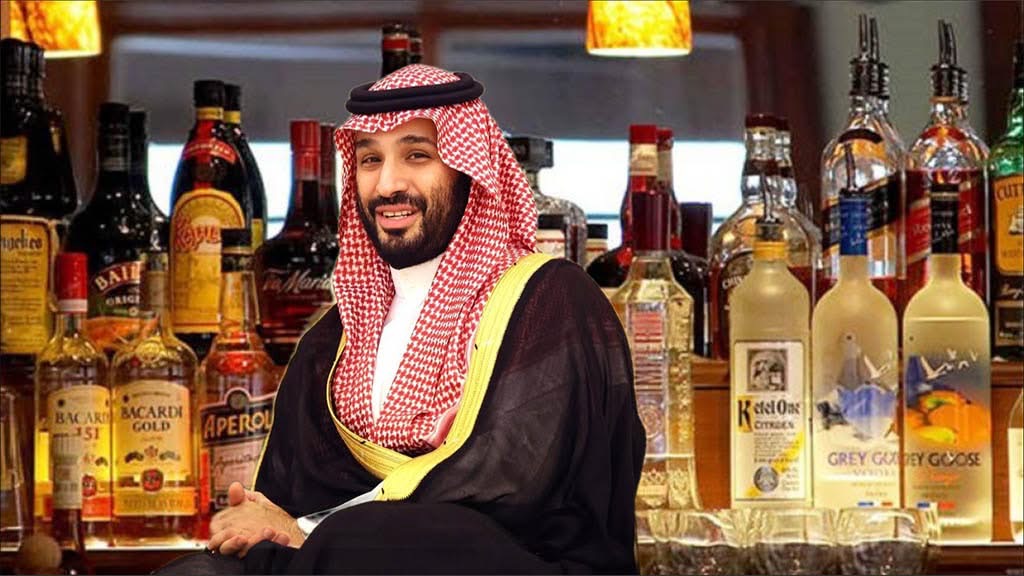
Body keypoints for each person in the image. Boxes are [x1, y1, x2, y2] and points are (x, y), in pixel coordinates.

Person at [162, 64, 643, 575]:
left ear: (467, 171)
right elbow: (282, 502)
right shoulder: (333, 339)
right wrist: (265, 525)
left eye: (417, 155)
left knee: (381, 540)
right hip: (336, 564)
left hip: (521, 564)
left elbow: (511, 485)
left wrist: (310, 531)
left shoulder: (549, 300)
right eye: (370, 159)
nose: (388, 184)